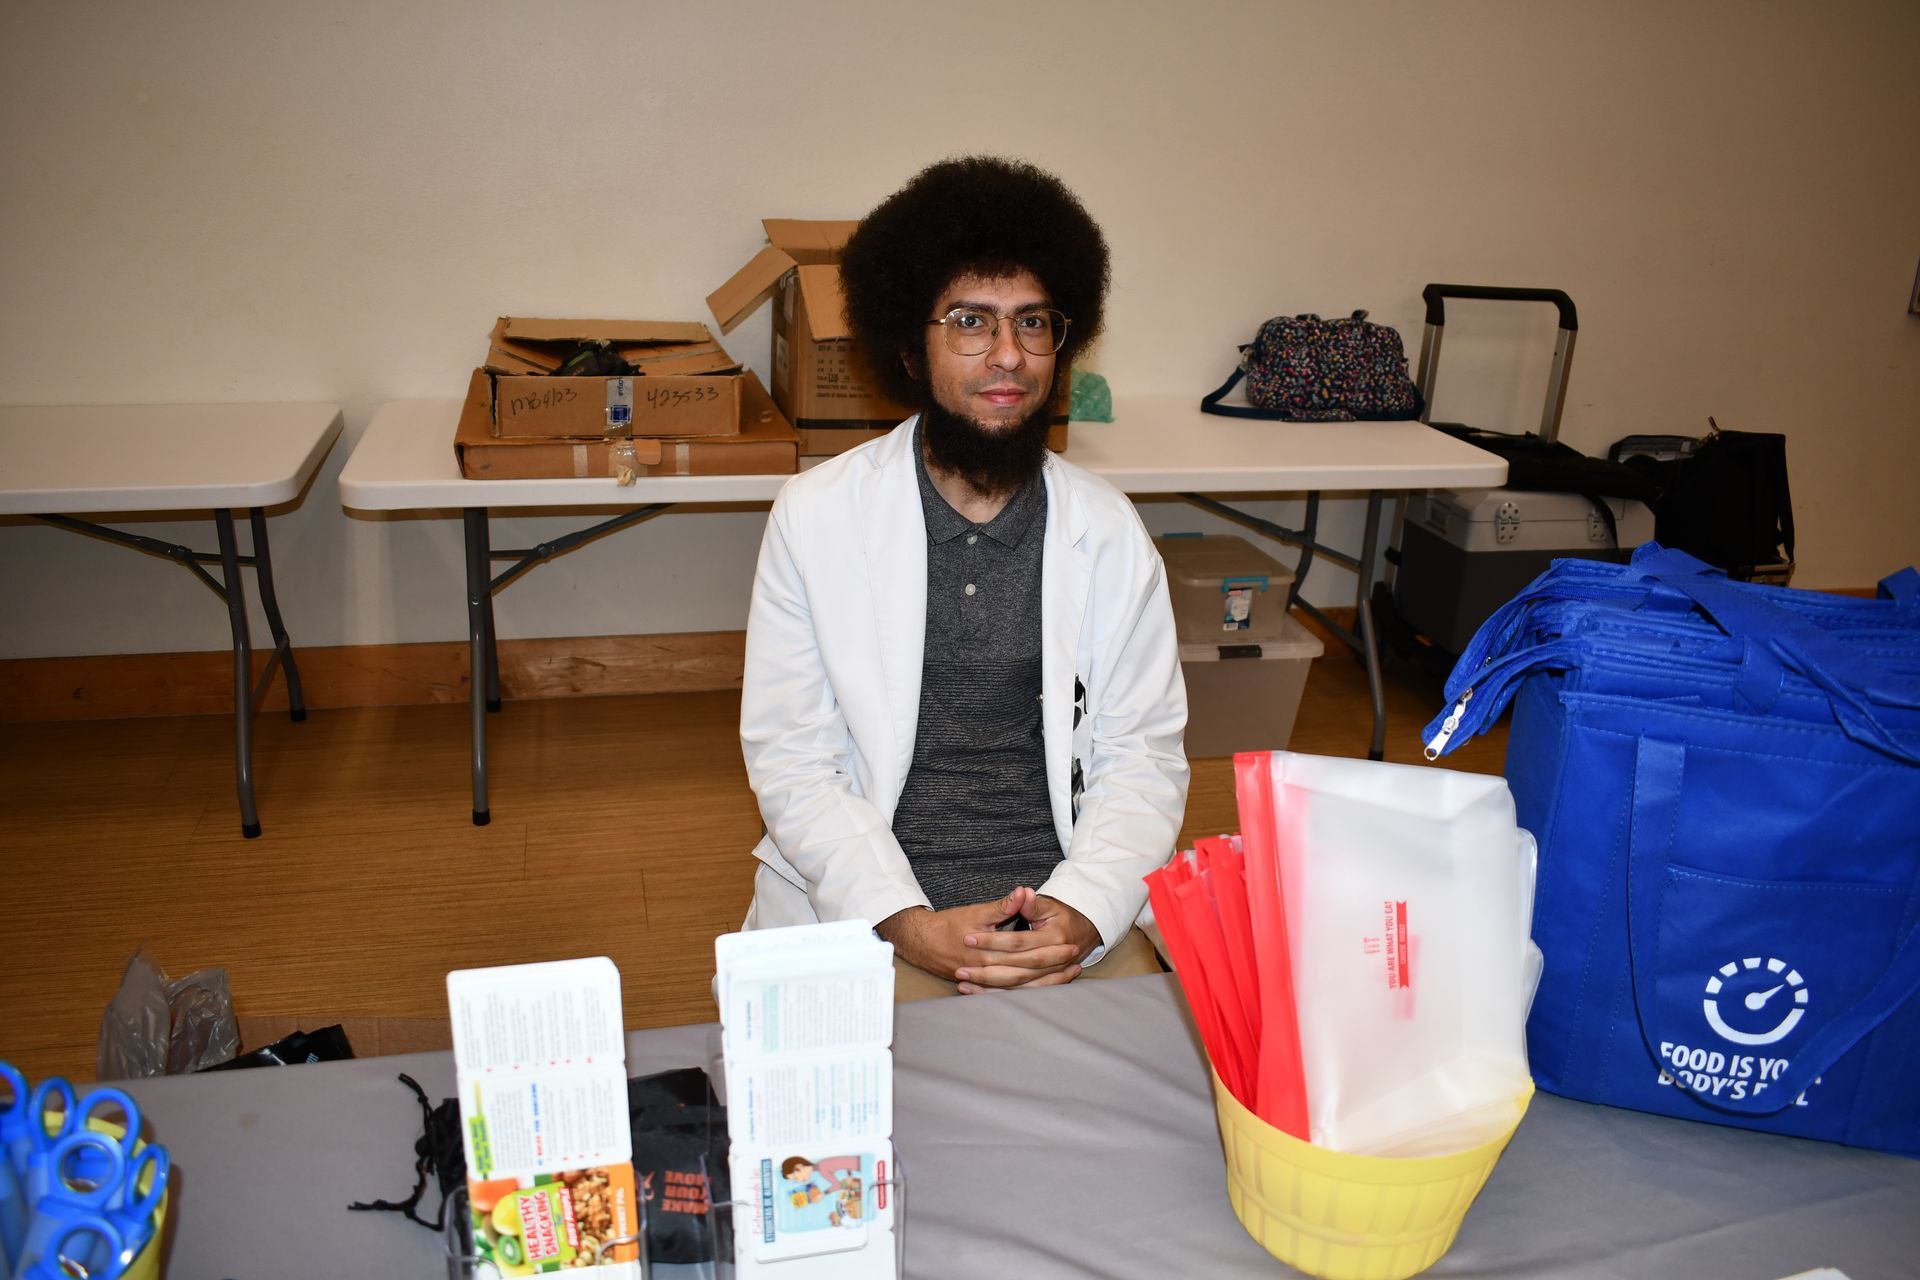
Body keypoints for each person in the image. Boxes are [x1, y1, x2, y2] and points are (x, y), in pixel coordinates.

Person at [738, 155, 1188, 998]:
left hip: (1063, 917)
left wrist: (1083, 910)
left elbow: (1143, 757)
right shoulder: (817, 516)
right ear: (912, 347)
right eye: (971, 322)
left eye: (1032, 322)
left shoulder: (1107, 531)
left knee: (1159, 1073)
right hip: (880, 912)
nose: (1009, 355)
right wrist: (906, 922)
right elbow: (794, 760)